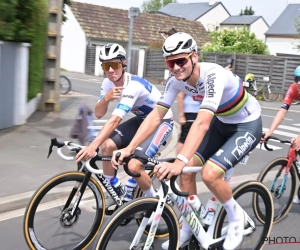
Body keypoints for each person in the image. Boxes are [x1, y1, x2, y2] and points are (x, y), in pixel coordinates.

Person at [111, 32, 262, 250]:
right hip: (221, 123)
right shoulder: (174, 81)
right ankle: (190, 225)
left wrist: (180, 160)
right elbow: (156, 115)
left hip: (246, 125)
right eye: (170, 62)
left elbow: (201, 123)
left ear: (194, 57)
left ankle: (236, 216)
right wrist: (129, 148)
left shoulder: (213, 75)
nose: (175, 67)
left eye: (180, 60)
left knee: (209, 174)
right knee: (185, 174)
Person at [75, 43, 173, 208]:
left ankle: (154, 204)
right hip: (142, 119)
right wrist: (105, 98)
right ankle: (115, 189)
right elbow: (99, 113)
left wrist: (92, 146)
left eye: (115, 64)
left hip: (162, 121)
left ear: (123, 64)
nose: (111, 70)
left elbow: (114, 120)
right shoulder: (107, 83)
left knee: (133, 164)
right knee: (106, 146)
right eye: (107, 66)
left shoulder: (132, 86)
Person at [262, 65, 300, 203]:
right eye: (297, 78)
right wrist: (269, 132)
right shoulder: (293, 89)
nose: (299, 82)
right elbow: (282, 112)